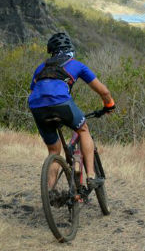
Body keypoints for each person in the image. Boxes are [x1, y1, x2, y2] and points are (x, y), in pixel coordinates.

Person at [28, 31, 115, 190]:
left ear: (52, 51)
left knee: (54, 151)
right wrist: (109, 105)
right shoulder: (76, 64)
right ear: (70, 49)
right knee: (83, 129)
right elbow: (104, 92)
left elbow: (34, 91)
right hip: (61, 102)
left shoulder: (41, 67)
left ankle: (50, 191)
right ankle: (90, 176)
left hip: (36, 106)